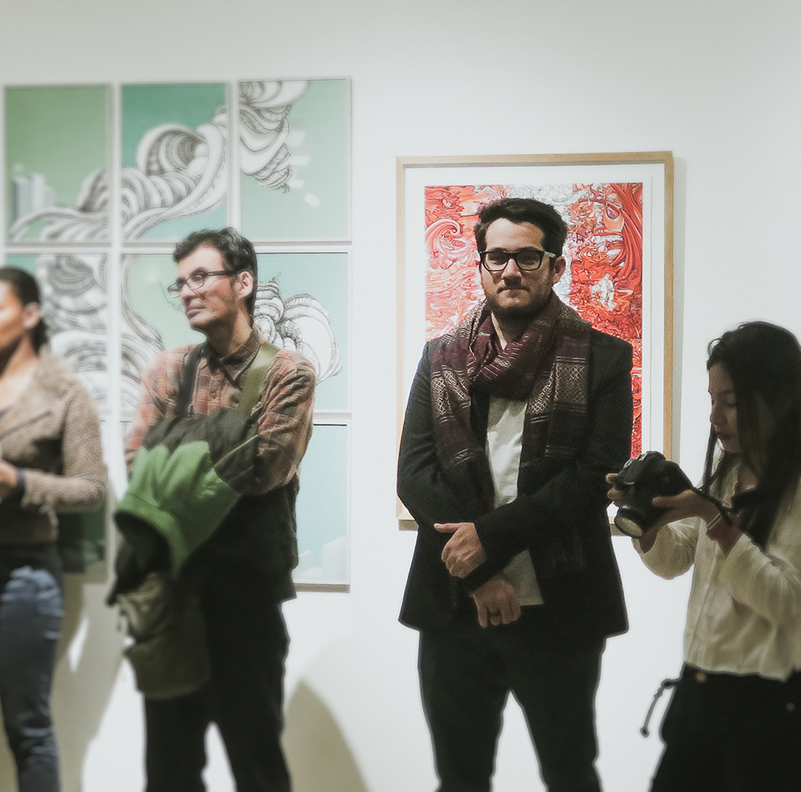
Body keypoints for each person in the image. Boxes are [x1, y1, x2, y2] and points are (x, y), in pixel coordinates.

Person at [398, 197, 633, 792]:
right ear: (479, 265)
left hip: (560, 606)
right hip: (456, 608)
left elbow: (593, 476)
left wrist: (490, 541)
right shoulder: (442, 357)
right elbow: (415, 473)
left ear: (556, 266)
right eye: (497, 256)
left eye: (527, 257)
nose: (510, 270)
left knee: (569, 772)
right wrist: (480, 574)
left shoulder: (603, 358)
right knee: (459, 776)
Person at [124, 228, 316, 792]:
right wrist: (226, 434)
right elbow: (137, 467)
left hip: (246, 601)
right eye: (181, 282)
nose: (187, 291)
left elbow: (264, 468)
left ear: (244, 283)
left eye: (201, 277)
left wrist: (174, 449)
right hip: (171, 596)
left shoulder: (288, 372)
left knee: (256, 765)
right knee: (169, 770)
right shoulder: (168, 369)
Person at [607, 321, 801, 792]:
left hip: (766, 709)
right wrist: (648, 527)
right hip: (699, 692)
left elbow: (785, 603)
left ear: (777, 397)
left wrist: (715, 521)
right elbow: (678, 561)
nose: (715, 416)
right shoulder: (726, 470)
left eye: (730, 402)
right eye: (712, 399)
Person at [0, 267, 106, 792]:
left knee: (27, 724)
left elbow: (91, 489)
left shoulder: (65, 392)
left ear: (30, 314)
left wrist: (19, 482)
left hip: (24, 576)